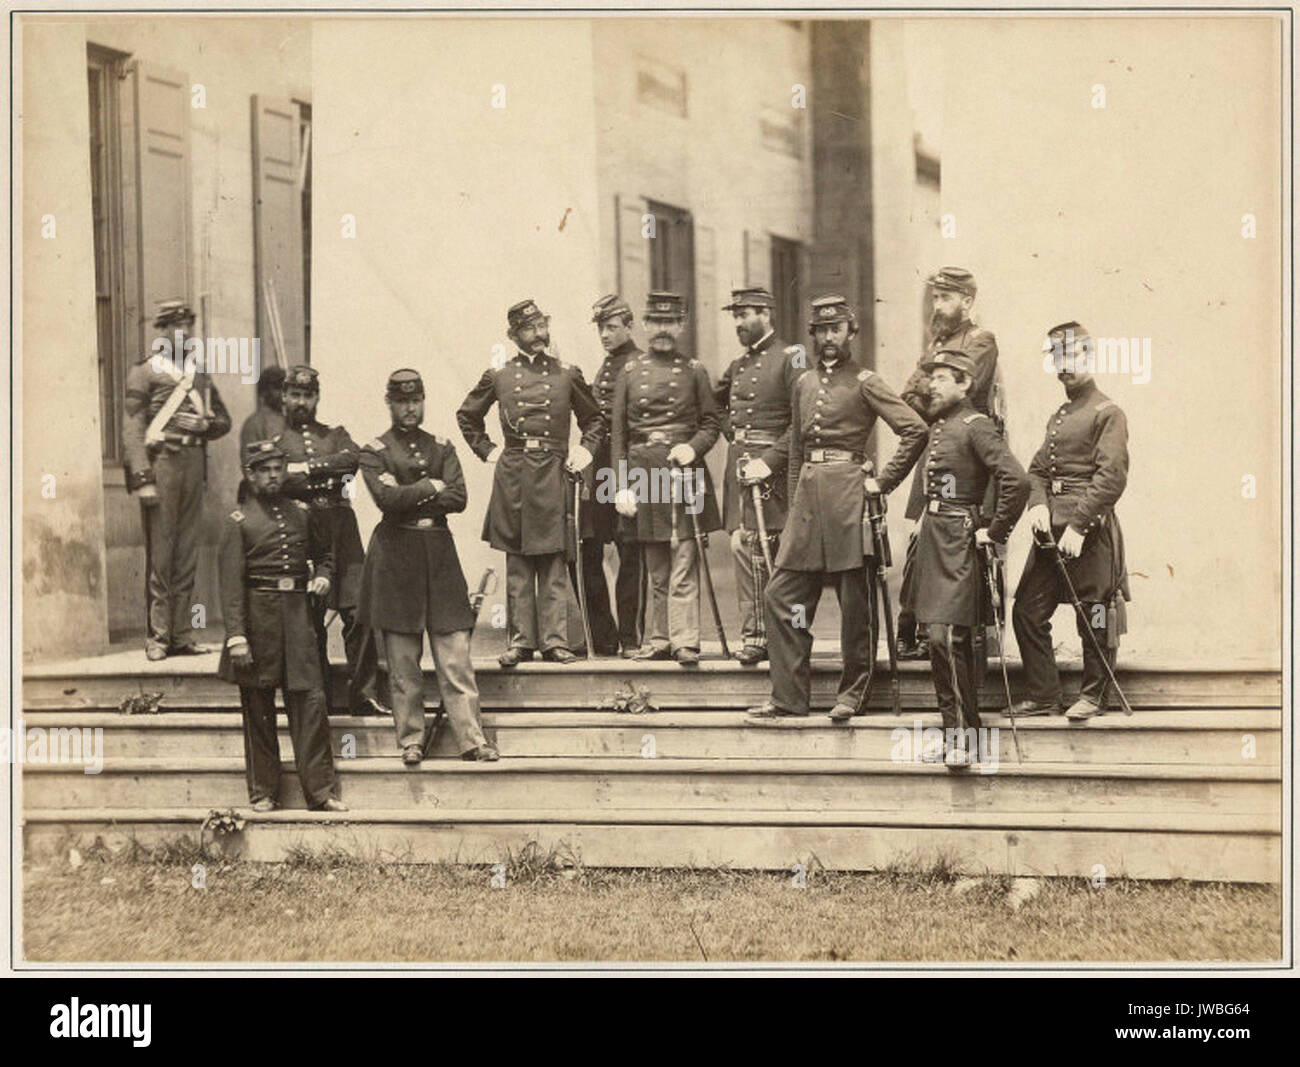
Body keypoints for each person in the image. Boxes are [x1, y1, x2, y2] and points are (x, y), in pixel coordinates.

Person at [747, 295, 927, 721]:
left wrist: (882, 482)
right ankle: (789, 697)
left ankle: (853, 693)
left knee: (855, 604)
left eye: (837, 330)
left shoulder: (866, 381)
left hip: (850, 501)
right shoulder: (803, 383)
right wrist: (793, 507)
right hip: (808, 503)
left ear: (850, 332)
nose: (829, 338)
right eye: (822, 331)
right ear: (813, 335)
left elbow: (914, 429)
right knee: (783, 596)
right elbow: (795, 449)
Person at [358, 369, 497, 765]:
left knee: (455, 657)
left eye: (416, 400)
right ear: (389, 403)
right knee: (403, 665)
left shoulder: (443, 446)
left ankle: (472, 739)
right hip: (396, 557)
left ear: (423, 401)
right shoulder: (375, 450)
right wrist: (429, 487)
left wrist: (414, 494)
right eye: (402, 401)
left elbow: (458, 497)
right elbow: (386, 500)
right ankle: (411, 741)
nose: (409, 408)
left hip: (438, 556)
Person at [458, 300, 605, 666]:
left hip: (554, 470)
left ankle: (555, 641)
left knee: (554, 560)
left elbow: (595, 420)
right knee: (519, 562)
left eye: (541, 326)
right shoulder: (499, 376)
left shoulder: (568, 374)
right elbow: (467, 416)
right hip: (514, 472)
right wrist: (488, 451)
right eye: (528, 329)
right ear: (513, 336)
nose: (538, 334)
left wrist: (585, 451)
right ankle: (522, 642)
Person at [908, 351, 1029, 768]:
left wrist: (993, 530)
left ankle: (964, 738)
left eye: (943, 378)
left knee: (949, 637)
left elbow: (1016, 479)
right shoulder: (938, 424)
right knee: (936, 641)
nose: (933, 385)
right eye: (932, 378)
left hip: (960, 540)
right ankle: (955, 732)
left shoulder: (977, 426)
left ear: (965, 385)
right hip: (933, 538)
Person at [217, 439, 346, 812]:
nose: (274, 476)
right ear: (251, 475)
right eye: (265, 470)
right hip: (258, 623)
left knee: (311, 704)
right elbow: (231, 586)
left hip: (297, 620)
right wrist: (237, 637)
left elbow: (324, 555)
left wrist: (323, 576)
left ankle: (321, 792)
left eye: (278, 468)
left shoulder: (302, 513)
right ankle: (262, 792)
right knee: (258, 710)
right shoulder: (238, 522)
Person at [1012, 323, 1131, 723]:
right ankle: (1044, 695)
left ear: (1089, 357)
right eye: (1057, 359)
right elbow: (1038, 470)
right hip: (1051, 530)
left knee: (1095, 613)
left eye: (1071, 357)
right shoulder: (1060, 415)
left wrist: (1079, 526)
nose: (1064, 366)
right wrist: (1037, 505)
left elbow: (1111, 476)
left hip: (1089, 531)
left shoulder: (1107, 412)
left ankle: (1094, 695)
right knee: (1027, 610)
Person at [611, 292, 723, 666]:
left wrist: (693, 448)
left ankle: (685, 640)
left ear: (680, 325)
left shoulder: (694, 370)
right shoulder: (629, 373)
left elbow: (711, 422)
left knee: (684, 558)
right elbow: (619, 435)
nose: (662, 329)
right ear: (644, 326)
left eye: (669, 322)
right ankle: (659, 638)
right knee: (655, 562)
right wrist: (621, 484)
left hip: (682, 469)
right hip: (644, 470)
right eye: (655, 322)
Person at [897, 268, 1001, 661]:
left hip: (966, 457)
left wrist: (928, 396)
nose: (937, 305)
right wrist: (928, 398)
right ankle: (919, 632)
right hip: (934, 455)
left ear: (967, 301)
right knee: (917, 546)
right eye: (935, 298)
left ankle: (960, 643)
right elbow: (909, 395)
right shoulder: (936, 342)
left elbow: (961, 394)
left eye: (945, 298)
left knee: (964, 557)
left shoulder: (981, 341)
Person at [122, 299, 232, 660]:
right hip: (163, 464)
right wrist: (143, 479)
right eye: (177, 326)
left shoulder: (198, 374)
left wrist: (205, 425)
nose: (184, 333)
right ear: (163, 330)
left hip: (193, 465)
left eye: (189, 326)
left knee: (187, 553)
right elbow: (133, 428)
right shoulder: (145, 372)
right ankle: (158, 635)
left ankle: (182, 634)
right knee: (162, 553)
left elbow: (223, 421)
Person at [277, 364, 385, 716]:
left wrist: (306, 469)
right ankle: (317, 696)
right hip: (303, 531)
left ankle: (363, 694)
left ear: (317, 398)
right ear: (284, 397)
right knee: (311, 618)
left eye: (308, 396)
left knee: (359, 612)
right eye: (295, 395)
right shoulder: (276, 442)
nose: (301, 402)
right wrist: (320, 471)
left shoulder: (335, 433)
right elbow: (276, 479)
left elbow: (353, 459)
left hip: (342, 529)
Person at [714, 286, 800, 666]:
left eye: (744, 314)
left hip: (775, 472)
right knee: (743, 547)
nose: (738, 322)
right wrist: (733, 435)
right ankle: (754, 635)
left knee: (776, 552)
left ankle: (785, 635)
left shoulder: (790, 358)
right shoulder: (738, 365)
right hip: (741, 467)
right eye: (735, 315)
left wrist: (771, 460)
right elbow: (711, 406)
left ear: (766, 313)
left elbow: (803, 420)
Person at [582, 294, 645, 656]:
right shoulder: (606, 366)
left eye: (611, 327)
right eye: (600, 329)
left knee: (630, 552)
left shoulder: (640, 363)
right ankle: (604, 638)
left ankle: (631, 637)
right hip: (598, 469)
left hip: (628, 470)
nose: (604, 335)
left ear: (629, 326)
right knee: (589, 548)